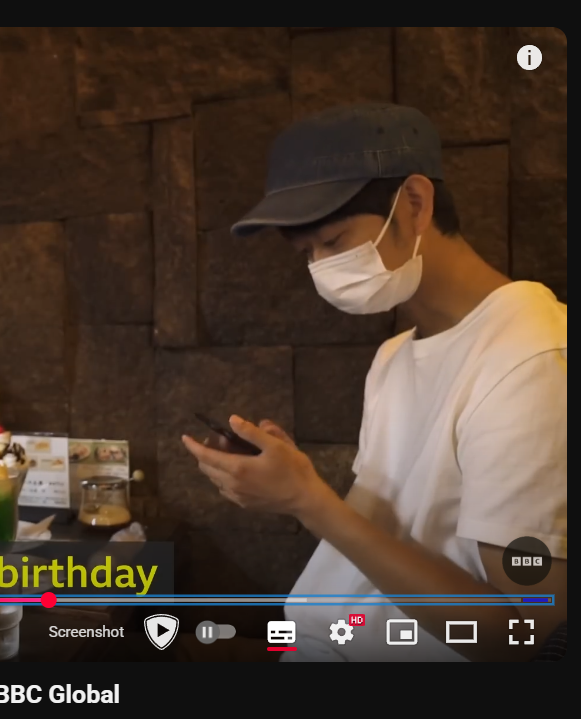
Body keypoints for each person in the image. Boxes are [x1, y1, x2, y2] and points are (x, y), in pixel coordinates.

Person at [179, 104, 567, 661]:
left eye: (334, 242)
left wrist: (309, 501)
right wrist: (293, 483)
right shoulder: (394, 356)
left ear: (414, 204)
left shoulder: (531, 359)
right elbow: (386, 538)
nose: (321, 268)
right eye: (307, 254)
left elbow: (524, 636)